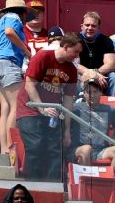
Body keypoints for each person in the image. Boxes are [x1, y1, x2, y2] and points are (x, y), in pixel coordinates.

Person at [19, 33, 81, 180]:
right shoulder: (43, 57)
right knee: (35, 146)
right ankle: (33, 186)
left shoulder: (71, 69)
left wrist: (66, 131)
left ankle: (53, 188)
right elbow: (29, 86)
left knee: (56, 150)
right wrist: (42, 108)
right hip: (30, 110)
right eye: (76, 52)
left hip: (52, 113)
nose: (77, 56)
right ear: (66, 47)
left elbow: (68, 100)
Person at [0, 0, 34, 160]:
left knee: (6, 110)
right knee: (17, 106)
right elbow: (10, 32)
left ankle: (4, 150)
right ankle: (11, 150)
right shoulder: (13, 18)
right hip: (8, 64)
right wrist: (27, 51)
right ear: (22, 12)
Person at [72, 77, 115, 166]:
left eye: (95, 92)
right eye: (89, 92)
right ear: (84, 94)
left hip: (101, 150)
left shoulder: (109, 109)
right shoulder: (75, 108)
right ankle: (85, 179)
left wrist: (113, 139)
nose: (92, 95)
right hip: (79, 148)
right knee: (87, 149)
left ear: (101, 93)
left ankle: (111, 179)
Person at [74, 10, 115, 91]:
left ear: (98, 27)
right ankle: (77, 103)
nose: (90, 28)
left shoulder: (106, 41)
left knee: (113, 76)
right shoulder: (75, 39)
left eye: (93, 26)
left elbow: (111, 65)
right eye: (87, 25)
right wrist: (92, 74)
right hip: (82, 74)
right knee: (75, 76)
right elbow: (75, 65)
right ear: (81, 26)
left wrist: (97, 73)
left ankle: (112, 102)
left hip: (101, 74)